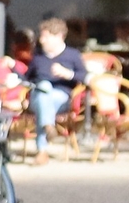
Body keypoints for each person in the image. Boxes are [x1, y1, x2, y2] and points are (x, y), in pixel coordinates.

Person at [25, 18, 85, 160]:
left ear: (58, 37)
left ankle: (42, 150)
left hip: (61, 97)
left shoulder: (73, 55)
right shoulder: (38, 57)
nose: (41, 40)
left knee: (44, 101)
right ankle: (48, 126)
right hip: (38, 93)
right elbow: (27, 78)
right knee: (43, 94)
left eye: (45, 37)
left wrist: (68, 74)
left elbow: (85, 77)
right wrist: (14, 70)